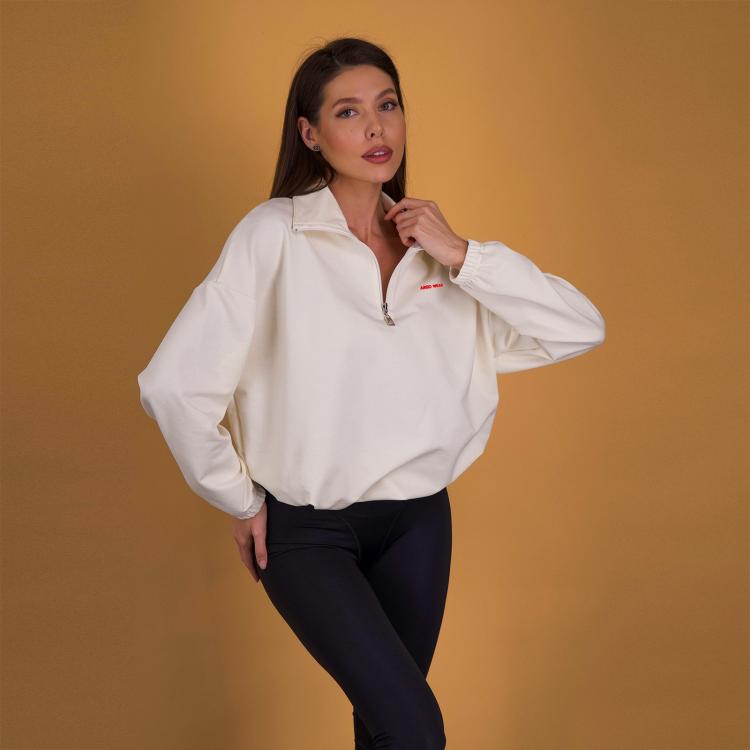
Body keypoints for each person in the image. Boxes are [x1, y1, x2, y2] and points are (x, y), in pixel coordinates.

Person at [136, 36, 606, 750]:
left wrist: (462, 254)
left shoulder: (435, 254)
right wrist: (239, 498)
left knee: (387, 733)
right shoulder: (274, 235)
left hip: (419, 525)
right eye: (349, 112)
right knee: (415, 731)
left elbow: (579, 328)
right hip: (309, 532)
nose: (376, 127)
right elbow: (174, 384)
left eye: (388, 105)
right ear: (310, 134)